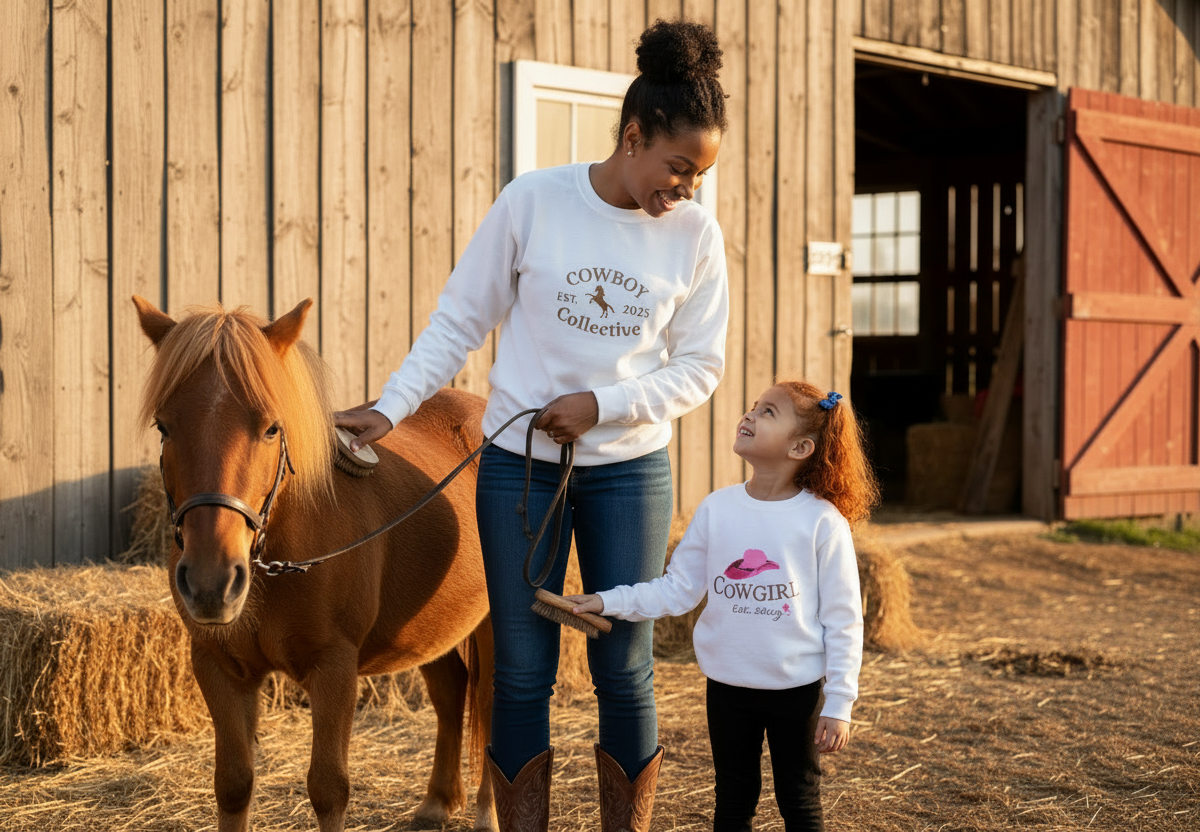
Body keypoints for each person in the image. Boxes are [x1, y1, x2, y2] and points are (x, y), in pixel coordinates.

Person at [334, 18, 730, 832]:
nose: (686, 187)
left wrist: (603, 406)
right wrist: (391, 407)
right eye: (679, 167)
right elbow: (457, 321)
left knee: (624, 667)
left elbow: (702, 367)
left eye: (700, 174)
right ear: (632, 137)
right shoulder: (533, 202)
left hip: (630, 471)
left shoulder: (694, 233)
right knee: (519, 671)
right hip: (519, 467)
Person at [568, 380, 880, 832]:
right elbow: (677, 590)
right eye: (754, 406)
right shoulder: (718, 509)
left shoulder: (821, 522)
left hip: (797, 690)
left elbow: (844, 619)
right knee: (733, 797)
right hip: (728, 687)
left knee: (799, 799)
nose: (750, 414)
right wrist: (607, 600)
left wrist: (839, 702)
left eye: (768, 412)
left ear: (800, 447)